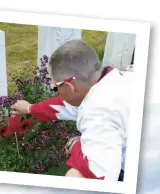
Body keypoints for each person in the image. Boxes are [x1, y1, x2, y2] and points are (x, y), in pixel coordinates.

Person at [10, 40, 132, 181]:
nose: (56, 92)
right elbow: (70, 106)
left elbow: (100, 174)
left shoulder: (98, 112)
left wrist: (74, 145)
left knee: (74, 176)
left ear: (68, 86)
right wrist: (30, 108)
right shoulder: (114, 80)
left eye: (55, 87)